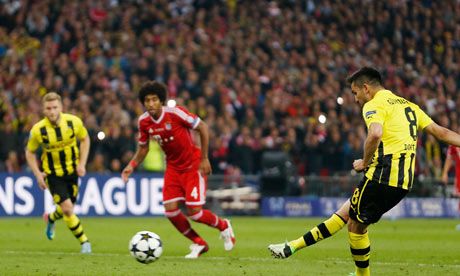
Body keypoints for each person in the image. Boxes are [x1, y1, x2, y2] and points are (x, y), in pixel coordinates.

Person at [268, 67, 460, 276]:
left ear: (366, 88)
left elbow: (375, 133)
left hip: (382, 176)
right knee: (346, 212)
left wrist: (365, 162)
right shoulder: (409, 106)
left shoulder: (374, 104)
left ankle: (362, 275)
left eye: (355, 92)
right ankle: (292, 247)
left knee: (355, 226)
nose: (356, 99)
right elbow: (442, 133)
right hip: (403, 181)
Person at [121, 81, 235, 259]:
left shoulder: (175, 113)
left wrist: (204, 158)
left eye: (154, 100)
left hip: (193, 164)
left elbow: (202, 127)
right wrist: (131, 166)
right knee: (171, 211)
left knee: (195, 213)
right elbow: (143, 148)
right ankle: (199, 243)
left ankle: (223, 226)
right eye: (147, 101)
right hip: (173, 168)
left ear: (161, 101)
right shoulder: (143, 121)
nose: (151, 104)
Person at [25, 92, 91, 253]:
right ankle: (85, 242)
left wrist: (82, 164)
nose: (52, 111)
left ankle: (51, 218)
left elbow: (85, 139)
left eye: (55, 107)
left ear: (61, 107)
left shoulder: (73, 122)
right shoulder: (38, 130)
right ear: (43, 110)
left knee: (66, 209)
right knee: (68, 209)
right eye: (48, 108)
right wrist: (38, 174)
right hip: (53, 175)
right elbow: (30, 152)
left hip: (72, 172)